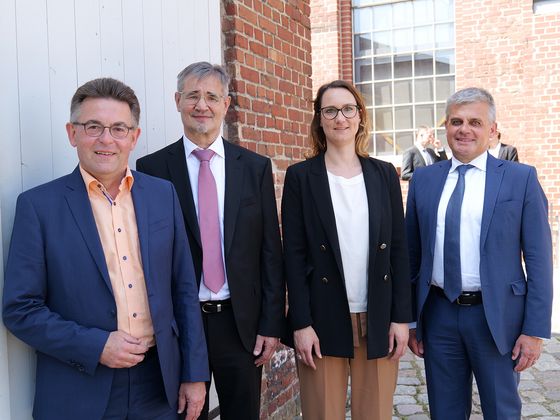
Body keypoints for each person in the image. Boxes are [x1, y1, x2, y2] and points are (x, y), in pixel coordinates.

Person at [2, 78, 209, 420]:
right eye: (93, 127)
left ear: (134, 137)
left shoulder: (162, 196)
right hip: (78, 386)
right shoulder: (38, 207)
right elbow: (19, 309)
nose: (106, 140)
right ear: (73, 133)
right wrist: (96, 346)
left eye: (118, 128)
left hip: (158, 384)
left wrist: (194, 373)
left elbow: (184, 290)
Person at [136, 62, 285, 420]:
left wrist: (270, 323)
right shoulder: (151, 168)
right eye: (192, 96)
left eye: (211, 97)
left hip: (240, 322)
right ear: (177, 101)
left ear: (226, 104)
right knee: (186, 414)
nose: (201, 105)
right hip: (181, 323)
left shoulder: (254, 167)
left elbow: (270, 251)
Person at [406, 87, 553, 419]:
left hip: (497, 318)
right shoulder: (424, 180)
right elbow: (411, 257)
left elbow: (539, 259)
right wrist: (412, 321)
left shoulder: (520, 179)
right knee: (444, 412)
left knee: (501, 411)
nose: (464, 129)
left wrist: (534, 330)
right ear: (446, 127)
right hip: (439, 314)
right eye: (456, 121)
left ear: (492, 129)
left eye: (475, 121)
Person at [282, 80, 412, 420]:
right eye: (330, 110)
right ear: (319, 120)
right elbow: (293, 257)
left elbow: (398, 249)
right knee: (322, 413)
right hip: (321, 318)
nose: (340, 118)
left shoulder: (384, 174)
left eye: (348, 109)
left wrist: (401, 317)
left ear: (359, 117)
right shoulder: (300, 177)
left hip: (378, 316)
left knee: (376, 413)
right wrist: (301, 323)